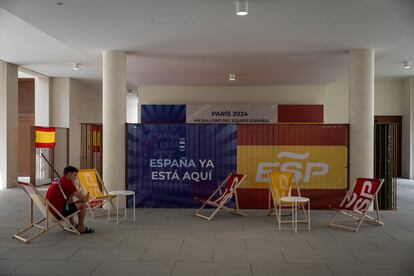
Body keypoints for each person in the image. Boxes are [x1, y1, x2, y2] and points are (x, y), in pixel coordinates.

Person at [46, 166, 94, 233]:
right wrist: (87, 194)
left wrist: (72, 192)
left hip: (49, 211)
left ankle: (73, 224)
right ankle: (81, 227)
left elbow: (70, 200)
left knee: (69, 203)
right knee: (83, 204)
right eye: (75, 175)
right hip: (57, 214)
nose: (75, 178)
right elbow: (84, 199)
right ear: (69, 174)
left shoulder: (59, 180)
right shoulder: (67, 183)